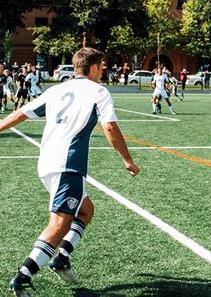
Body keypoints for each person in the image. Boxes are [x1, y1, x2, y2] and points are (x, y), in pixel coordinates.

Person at [0, 47, 140, 297]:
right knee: (59, 224)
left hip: (46, 162)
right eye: (103, 67)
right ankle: (23, 276)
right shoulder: (99, 92)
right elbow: (109, 127)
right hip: (67, 164)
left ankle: (62, 257)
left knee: (85, 210)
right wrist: (127, 159)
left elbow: (22, 113)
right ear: (95, 67)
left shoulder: (57, 89)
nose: (103, 71)